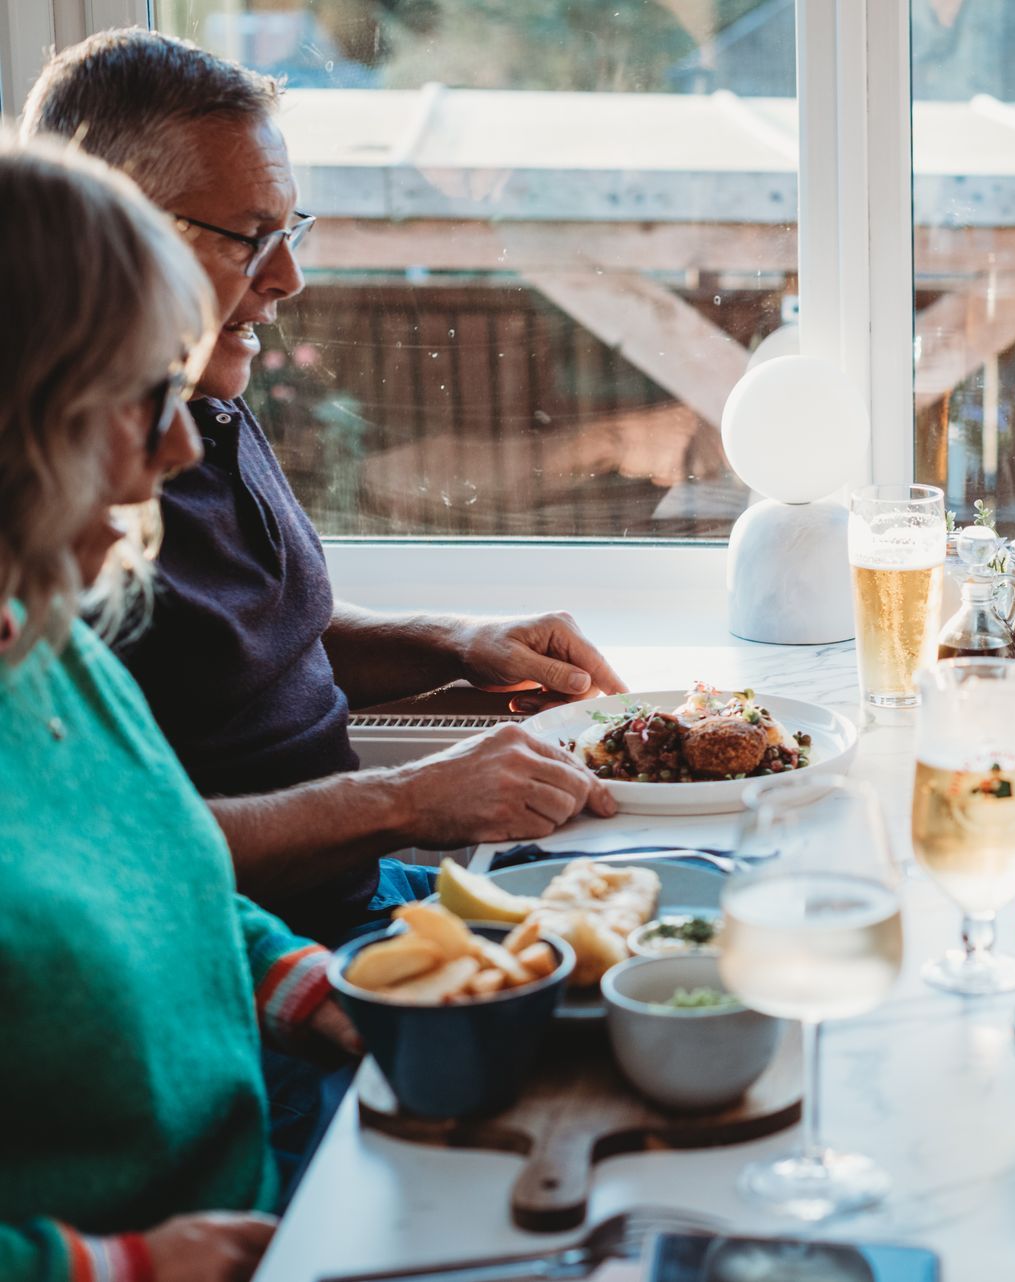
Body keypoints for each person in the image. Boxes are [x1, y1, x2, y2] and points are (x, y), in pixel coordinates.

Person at [22, 29, 622, 945]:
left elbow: (242, 645)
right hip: (251, 943)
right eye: (252, 238)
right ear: (122, 227)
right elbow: (127, 851)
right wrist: (407, 798)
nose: (291, 276)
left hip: (338, 907)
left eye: (289, 229)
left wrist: (457, 643)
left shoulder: (204, 406)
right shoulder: (71, 493)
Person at [0, 139, 361, 1282]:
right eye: (150, 396)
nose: (180, 446)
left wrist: (312, 983)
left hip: (267, 1186)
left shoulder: (52, 646)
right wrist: (118, 1265)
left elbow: (171, 871)